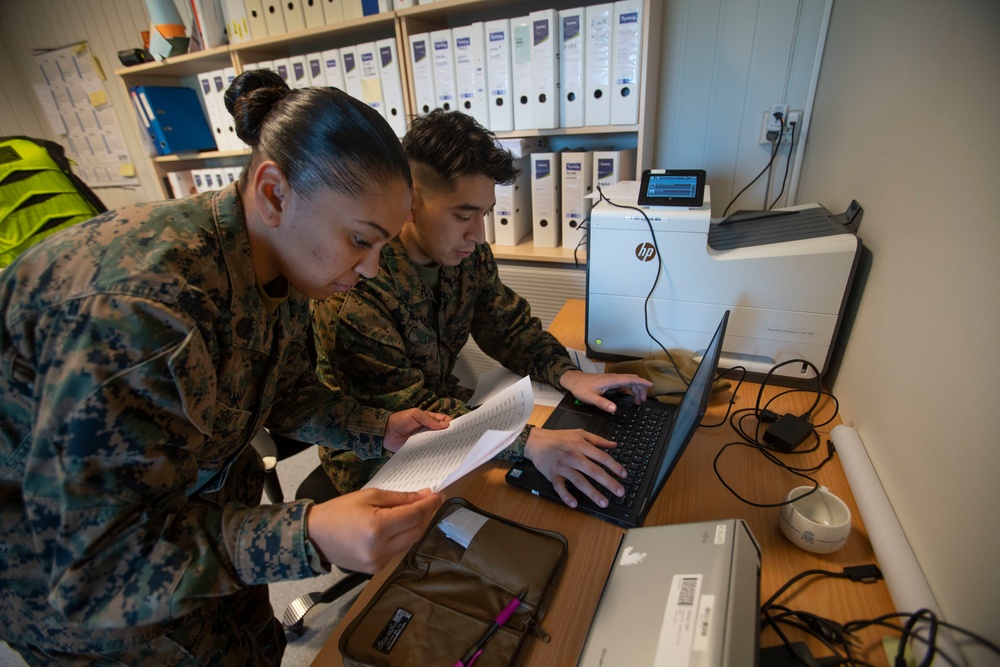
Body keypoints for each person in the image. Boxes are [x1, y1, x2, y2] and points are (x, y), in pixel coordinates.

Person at [0, 70, 450, 666]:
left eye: (382, 248)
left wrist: (379, 428)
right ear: (273, 193)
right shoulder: (141, 314)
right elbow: (96, 569)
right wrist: (308, 534)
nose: (369, 269)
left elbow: (279, 390)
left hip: (204, 518)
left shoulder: (283, 261)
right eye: (360, 240)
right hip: (92, 600)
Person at [311, 109, 653, 509]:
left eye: (485, 213)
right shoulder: (357, 293)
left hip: (447, 417)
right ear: (410, 202)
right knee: (511, 509)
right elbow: (409, 413)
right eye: (463, 215)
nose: (478, 234)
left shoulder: (466, 255)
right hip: (379, 462)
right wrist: (528, 442)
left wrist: (569, 375)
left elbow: (508, 328)